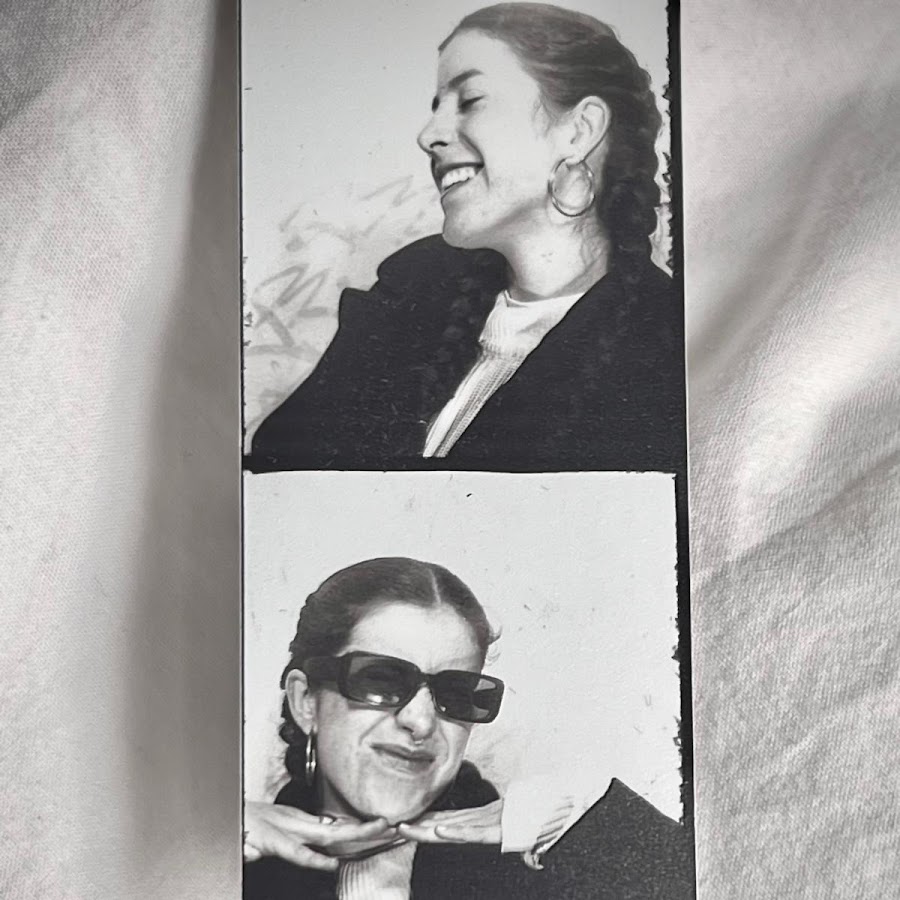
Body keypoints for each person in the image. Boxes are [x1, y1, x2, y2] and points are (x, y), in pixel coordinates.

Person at [246, 3, 684, 473]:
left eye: (471, 100)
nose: (428, 135)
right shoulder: (413, 288)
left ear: (580, 130)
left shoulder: (660, 352)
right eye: (437, 106)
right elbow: (276, 471)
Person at [243, 557, 694, 899]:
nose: (421, 721)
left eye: (455, 693)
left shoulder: (536, 877)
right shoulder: (237, 870)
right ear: (306, 702)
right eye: (380, 680)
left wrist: (578, 819)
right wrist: (207, 852)